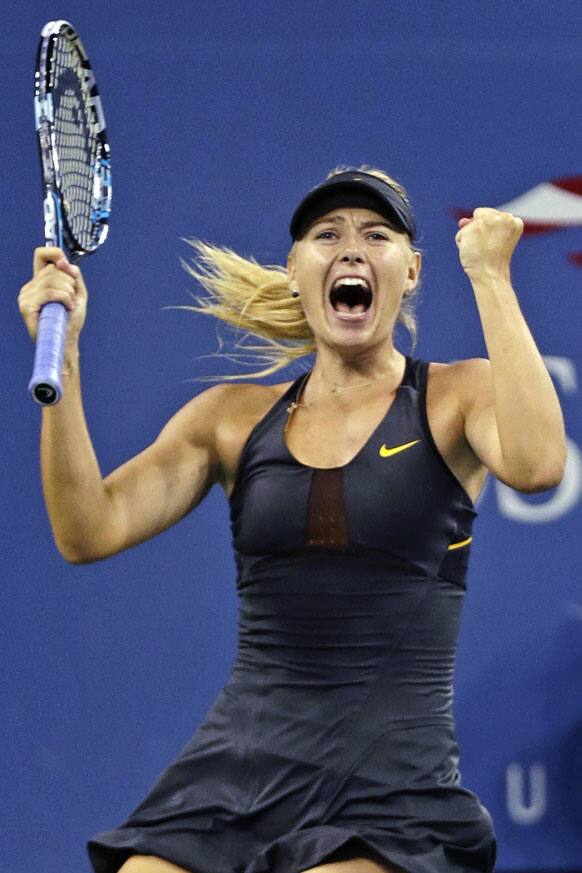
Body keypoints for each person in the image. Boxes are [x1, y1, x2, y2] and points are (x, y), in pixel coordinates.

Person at [18, 167, 566, 873]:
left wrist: (491, 277)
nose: (350, 249)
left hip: (392, 794)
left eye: (376, 235)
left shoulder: (458, 397)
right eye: (326, 234)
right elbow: (86, 529)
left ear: (412, 272)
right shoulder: (231, 419)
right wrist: (61, 358)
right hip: (232, 777)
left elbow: (539, 462)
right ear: (294, 270)